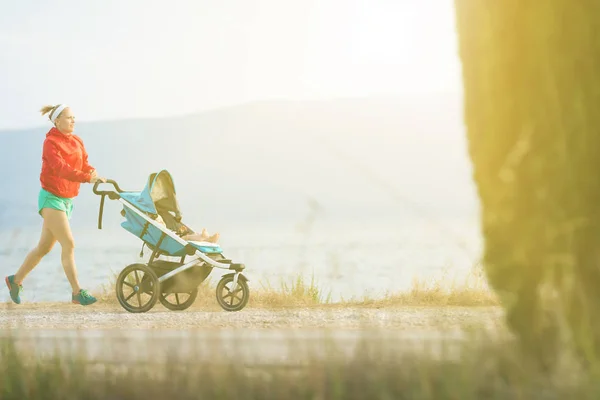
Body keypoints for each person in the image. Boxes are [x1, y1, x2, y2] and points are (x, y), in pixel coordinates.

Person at [5, 104, 107, 306]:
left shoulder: (77, 140)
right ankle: (77, 292)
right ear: (57, 121)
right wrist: (87, 178)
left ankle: (15, 280)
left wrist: (92, 172)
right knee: (68, 244)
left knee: (43, 248)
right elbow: (60, 168)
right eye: (69, 118)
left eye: (74, 117)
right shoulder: (50, 143)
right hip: (51, 198)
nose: (73, 121)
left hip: (67, 200)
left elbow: (84, 163)